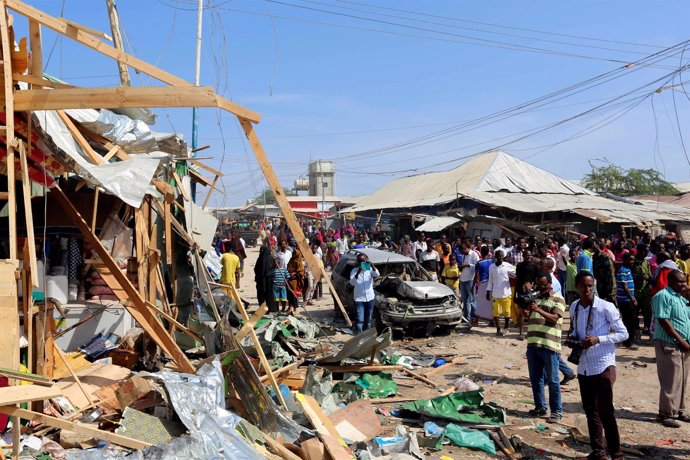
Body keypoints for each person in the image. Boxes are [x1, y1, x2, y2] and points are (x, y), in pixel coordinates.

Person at [569, 272, 628, 460]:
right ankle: (598, 452)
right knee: (590, 411)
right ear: (577, 287)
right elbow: (575, 331)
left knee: (606, 411)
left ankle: (616, 455)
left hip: (603, 365)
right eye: (583, 286)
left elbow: (623, 334)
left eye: (590, 286)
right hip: (584, 366)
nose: (587, 290)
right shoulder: (574, 307)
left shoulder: (605, 307)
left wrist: (598, 339)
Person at [524, 271, 565, 423]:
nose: (541, 287)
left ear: (550, 283)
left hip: (549, 345)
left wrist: (538, 310)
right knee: (536, 379)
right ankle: (540, 407)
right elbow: (531, 317)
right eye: (538, 285)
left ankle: (556, 411)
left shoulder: (558, 298)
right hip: (533, 344)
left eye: (544, 284)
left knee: (553, 380)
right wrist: (527, 311)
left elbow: (555, 318)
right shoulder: (536, 299)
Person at [652, 270, 690, 428]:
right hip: (669, 342)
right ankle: (665, 413)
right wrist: (680, 340)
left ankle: (679, 409)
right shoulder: (663, 296)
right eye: (680, 282)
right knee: (670, 380)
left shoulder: (681, 297)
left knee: (682, 379)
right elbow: (663, 320)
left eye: (685, 281)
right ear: (670, 281)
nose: (684, 285)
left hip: (684, 344)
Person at [350, 253, 380, 334]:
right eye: (360, 261)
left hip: (370, 298)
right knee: (360, 320)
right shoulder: (354, 271)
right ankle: (360, 337)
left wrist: (372, 265)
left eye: (364, 261)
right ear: (358, 262)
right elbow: (352, 283)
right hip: (359, 299)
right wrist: (358, 273)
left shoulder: (369, 269)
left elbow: (377, 274)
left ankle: (367, 336)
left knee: (368, 320)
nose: (362, 263)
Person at [486, 250, 515, 336]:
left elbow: (515, 274)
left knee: (506, 311)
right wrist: (488, 291)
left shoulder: (508, 266)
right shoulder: (491, 267)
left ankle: (506, 327)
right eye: (498, 257)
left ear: (503, 257)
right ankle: (498, 328)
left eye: (501, 257)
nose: (499, 258)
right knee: (495, 312)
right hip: (495, 293)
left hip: (506, 293)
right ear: (495, 257)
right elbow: (490, 280)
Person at [514, 249, 540, 340]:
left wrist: (533, 289)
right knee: (521, 313)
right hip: (521, 292)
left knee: (531, 312)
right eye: (526, 255)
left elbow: (537, 280)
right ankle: (521, 332)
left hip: (531, 292)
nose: (528, 257)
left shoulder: (535, 266)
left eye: (530, 255)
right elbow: (517, 279)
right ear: (523, 256)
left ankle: (530, 332)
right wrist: (515, 294)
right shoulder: (519, 266)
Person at [616, 253, 639, 350]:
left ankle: (627, 340)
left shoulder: (628, 270)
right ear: (625, 260)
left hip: (627, 299)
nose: (632, 262)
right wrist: (632, 298)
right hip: (625, 300)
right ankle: (629, 341)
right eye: (630, 260)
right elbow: (624, 286)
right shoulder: (623, 270)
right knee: (630, 321)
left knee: (628, 320)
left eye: (633, 260)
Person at [632, 244, 653, 335]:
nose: (647, 252)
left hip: (646, 291)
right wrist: (639, 276)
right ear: (641, 251)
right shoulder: (633, 261)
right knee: (635, 312)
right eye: (646, 250)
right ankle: (636, 328)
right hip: (636, 292)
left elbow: (649, 275)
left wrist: (649, 278)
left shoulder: (646, 262)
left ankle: (647, 327)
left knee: (647, 312)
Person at [460, 242, 480, 325]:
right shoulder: (463, 255)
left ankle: (473, 317)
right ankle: (467, 318)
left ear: (466, 248)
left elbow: (478, 266)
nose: (462, 252)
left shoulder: (474, 254)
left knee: (472, 300)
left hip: (470, 280)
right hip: (463, 279)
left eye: (463, 250)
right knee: (465, 300)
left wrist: (468, 265)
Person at [254, 239, 277, 312]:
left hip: (261, 281)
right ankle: (271, 309)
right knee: (269, 295)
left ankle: (262, 309)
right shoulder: (271, 258)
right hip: (269, 281)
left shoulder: (259, 259)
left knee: (261, 295)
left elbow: (255, 269)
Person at [475, 246, 494, 320]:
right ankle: (491, 320)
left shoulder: (479, 263)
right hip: (492, 283)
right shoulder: (492, 261)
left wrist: (475, 285)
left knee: (480, 301)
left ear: (481, 252)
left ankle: (477, 319)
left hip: (483, 283)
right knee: (491, 302)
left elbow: (477, 276)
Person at [286, 249, 305, 314]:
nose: (293, 255)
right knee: (289, 295)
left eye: (295, 254)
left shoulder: (299, 262)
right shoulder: (291, 260)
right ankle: (290, 307)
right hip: (289, 280)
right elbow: (288, 268)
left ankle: (295, 308)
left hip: (295, 281)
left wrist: (294, 274)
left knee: (293, 294)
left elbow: (301, 272)